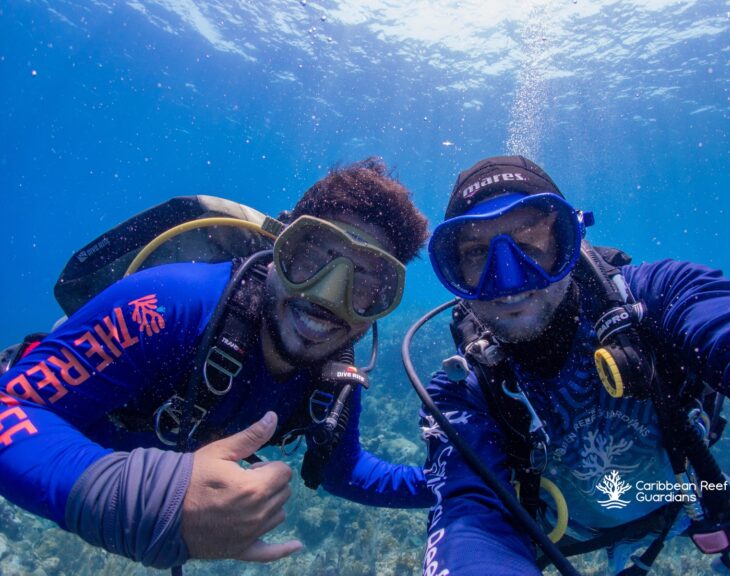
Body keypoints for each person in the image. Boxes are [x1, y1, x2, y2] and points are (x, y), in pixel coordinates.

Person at [0, 158, 432, 570]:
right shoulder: (170, 302)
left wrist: (456, 482)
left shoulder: (333, 377)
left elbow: (344, 471)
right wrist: (130, 499)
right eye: (313, 259)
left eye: (366, 283)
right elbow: (11, 405)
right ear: (279, 247)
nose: (327, 297)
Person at [417, 156, 730, 576]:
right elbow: (468, 519)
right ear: (455, 270)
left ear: (569, 241)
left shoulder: (659, 298)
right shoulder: (463, 388)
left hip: (688, 496)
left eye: (528, 242)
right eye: (477, 253)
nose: (508, 280)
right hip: (563, 530)